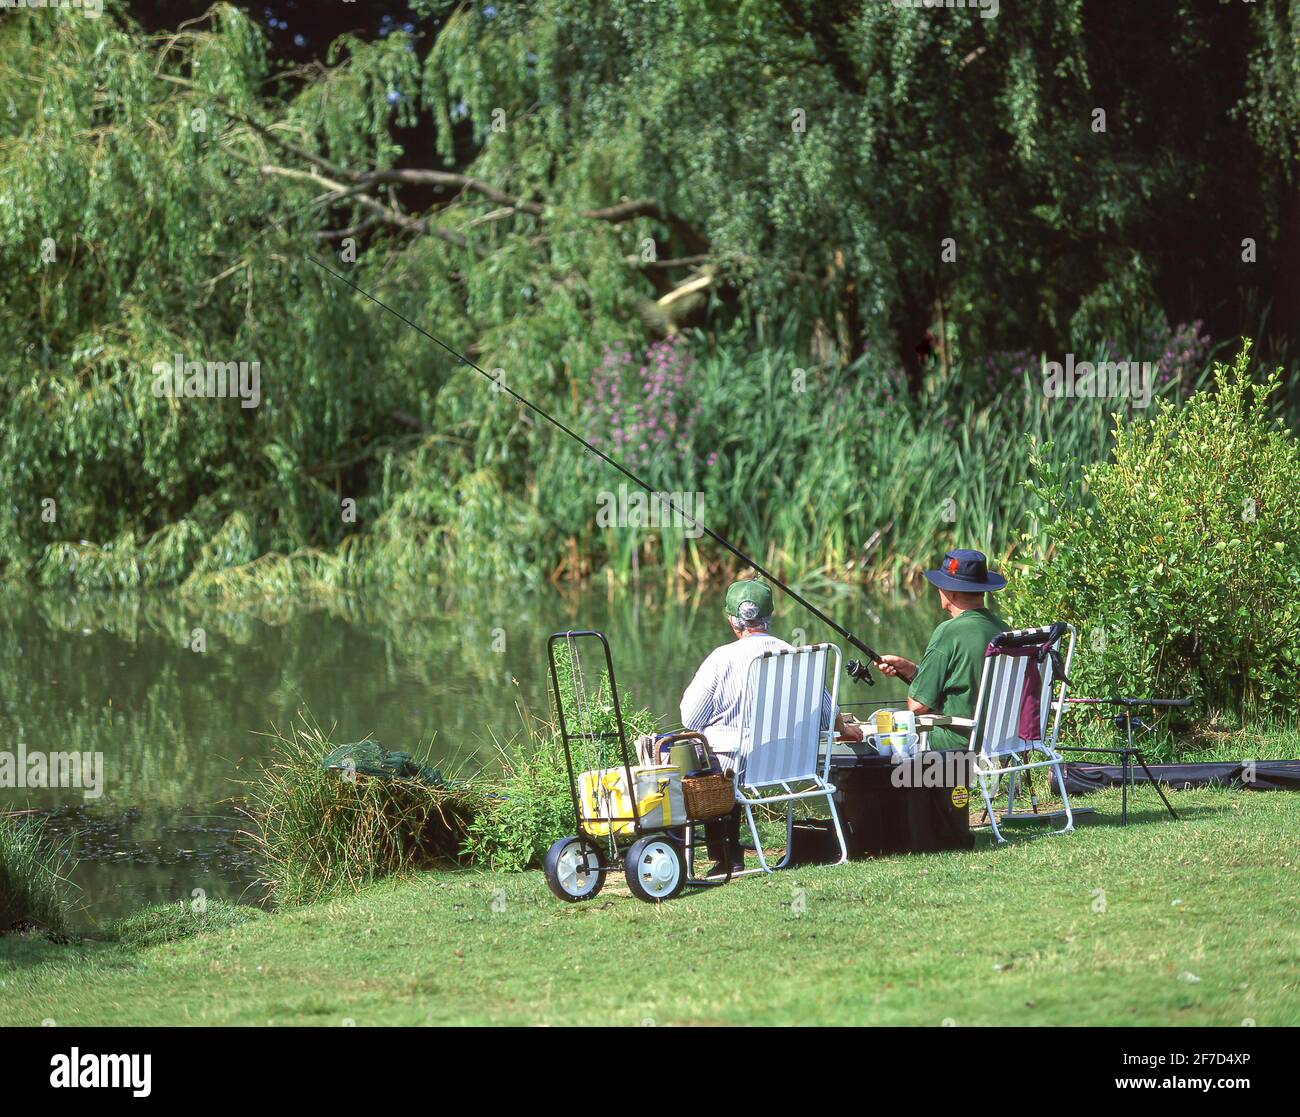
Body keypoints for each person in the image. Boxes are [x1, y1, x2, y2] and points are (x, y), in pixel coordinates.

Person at [680, 578, 861, 876]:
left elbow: (691, 718)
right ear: (770, 616)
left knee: (697, 761)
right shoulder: (799, 656)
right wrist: (846, 728)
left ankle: (727, 857)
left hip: (738, 767)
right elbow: (829, 715)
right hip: (793, 763)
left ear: (731, 620)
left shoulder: (720, 658)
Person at [878, 549, 1008, 750]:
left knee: (885, 739)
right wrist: (912, 670)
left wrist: (917, 690)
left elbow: (917, 706)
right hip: (1001, 740)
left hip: (958, 741)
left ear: (951, 591)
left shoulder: (949, 631)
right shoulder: (1002, 629)